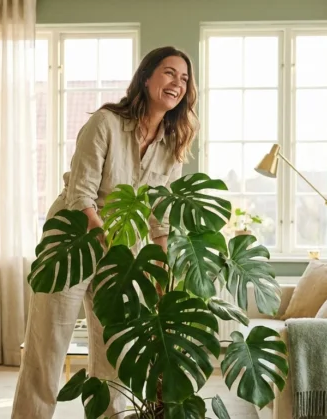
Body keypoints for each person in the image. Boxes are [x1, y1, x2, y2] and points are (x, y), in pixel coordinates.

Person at [11, 46, 199, 419]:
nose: (177, 83)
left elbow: (160, 217)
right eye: (168, 72)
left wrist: (161, 269)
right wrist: (111, 244)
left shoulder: (173, 143)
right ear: (146, 77)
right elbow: (82, 195)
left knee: (115, 351)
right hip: (73, 240)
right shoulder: (105, 122)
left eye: (184, 78)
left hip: (123, 251)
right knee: (47, 348)